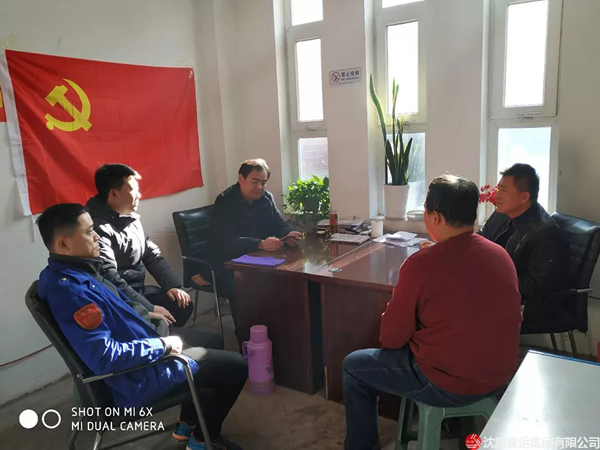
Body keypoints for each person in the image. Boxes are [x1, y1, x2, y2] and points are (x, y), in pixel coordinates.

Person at [36, 203, 247, 450]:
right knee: (236, 366)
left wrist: (149, 313)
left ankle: (188, 424)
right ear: (63, 244)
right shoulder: (72, 292)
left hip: (141, 344)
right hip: (136, 376)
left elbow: (118, 305)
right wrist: (162, 346)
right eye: (89, 231)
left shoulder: (74, 272)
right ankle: (204, 440)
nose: (96, 237)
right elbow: (105, 358)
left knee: (213, 341)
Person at [343, 175, 522, 450]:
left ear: (435, 217)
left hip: (446, 384)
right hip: (501, 377)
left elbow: (390, 339)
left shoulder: (421, 265)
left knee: (353, 366)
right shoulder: (500, 255)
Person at [86, 164, 194, 327]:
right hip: (120, 300)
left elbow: (150, 254)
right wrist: (149, 308)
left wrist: (171, 286)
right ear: (114, 194)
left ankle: (168, 337)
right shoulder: (97, 228)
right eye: (133, 190)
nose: (139, 195)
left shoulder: (129, 217)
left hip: (139, 291)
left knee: (182, 304)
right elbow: (109, 277)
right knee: (159, 321)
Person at [206, 158, 302, 330]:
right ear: (241, 179)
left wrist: (288, 234)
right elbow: (224, 241)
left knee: (290, 278)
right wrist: (259, 244)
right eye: (255, 181)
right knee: (245, 288)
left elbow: (278, 223)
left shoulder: (266, 198)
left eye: (263, 183)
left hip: (261, 258)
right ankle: (247, 336)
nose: (259, 187)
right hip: (230, 261)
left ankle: (279, 331)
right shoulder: (225, 201)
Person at [478, 163, 569, 305]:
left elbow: (535, 285)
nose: (496, 195)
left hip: (524, 304)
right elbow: (481, 239)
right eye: (498, 188)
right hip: (495, 283)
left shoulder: (544, 233)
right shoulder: (502, 213)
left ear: (524, 197)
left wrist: (490, 285)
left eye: (503, 190)